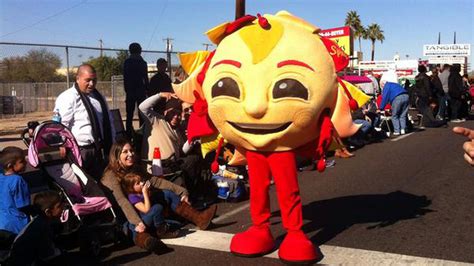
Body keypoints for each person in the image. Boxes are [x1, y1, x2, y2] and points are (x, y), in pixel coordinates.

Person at [100, 139, 216, 251]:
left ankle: (199, 219)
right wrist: (137, 222)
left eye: (131, 150)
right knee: (130, 225)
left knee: (167, 194)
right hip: (124, 216)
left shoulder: (134, 168)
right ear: (116, 156)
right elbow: (122, 201)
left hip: (142, 208)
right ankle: (147, 241)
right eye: (125, 152)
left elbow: (155, 181)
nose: (131, 154)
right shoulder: (110, 176)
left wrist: (181, 191)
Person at [54, 64, 114, 180]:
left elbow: (108, 121)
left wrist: (113, 141)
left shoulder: (98, 97)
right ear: (77, 79)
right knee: (83, 184)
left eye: (94, 80)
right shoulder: (68, 97)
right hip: (81, 150)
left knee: (101, 181)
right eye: (88, 80)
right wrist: (62, 143)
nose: (91, 84)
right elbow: (61, 125)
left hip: (99, 148)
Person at [7, 191, 64, 265]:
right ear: (48, 212)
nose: (62, 208)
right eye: (59, 206)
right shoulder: (42, 227)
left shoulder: (38, 220)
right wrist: (60, 251)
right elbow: (47, 254)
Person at [121, 172, 180, 239]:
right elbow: (146, 210)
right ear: (131, 188)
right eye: (137, 183)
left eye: (140, 181)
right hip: (144, 221)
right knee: (157, 207)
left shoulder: (141, 192)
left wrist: (148, 191)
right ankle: (162, 232)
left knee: (177, 224)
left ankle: (155, 232)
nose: (141, 183)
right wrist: (145, 193)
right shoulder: (132, 197)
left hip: (153, 220)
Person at [0, 147, 30, 245]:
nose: (25, 163)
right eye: (22, 161)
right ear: (10, 165)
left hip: (3, 223)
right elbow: (23, 205)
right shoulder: (17, 180)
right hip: (17, 224)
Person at [123, 42, 149, 136]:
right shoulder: (142, 63)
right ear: (139, 50)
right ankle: (142, 133)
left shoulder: (127, 62)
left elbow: (125, 78)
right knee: (142, 113)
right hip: (140, 91)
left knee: (129, 114)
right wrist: (147, 89)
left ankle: (128, 134)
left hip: (130, 91)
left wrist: (127, 90)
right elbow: (145, 78)